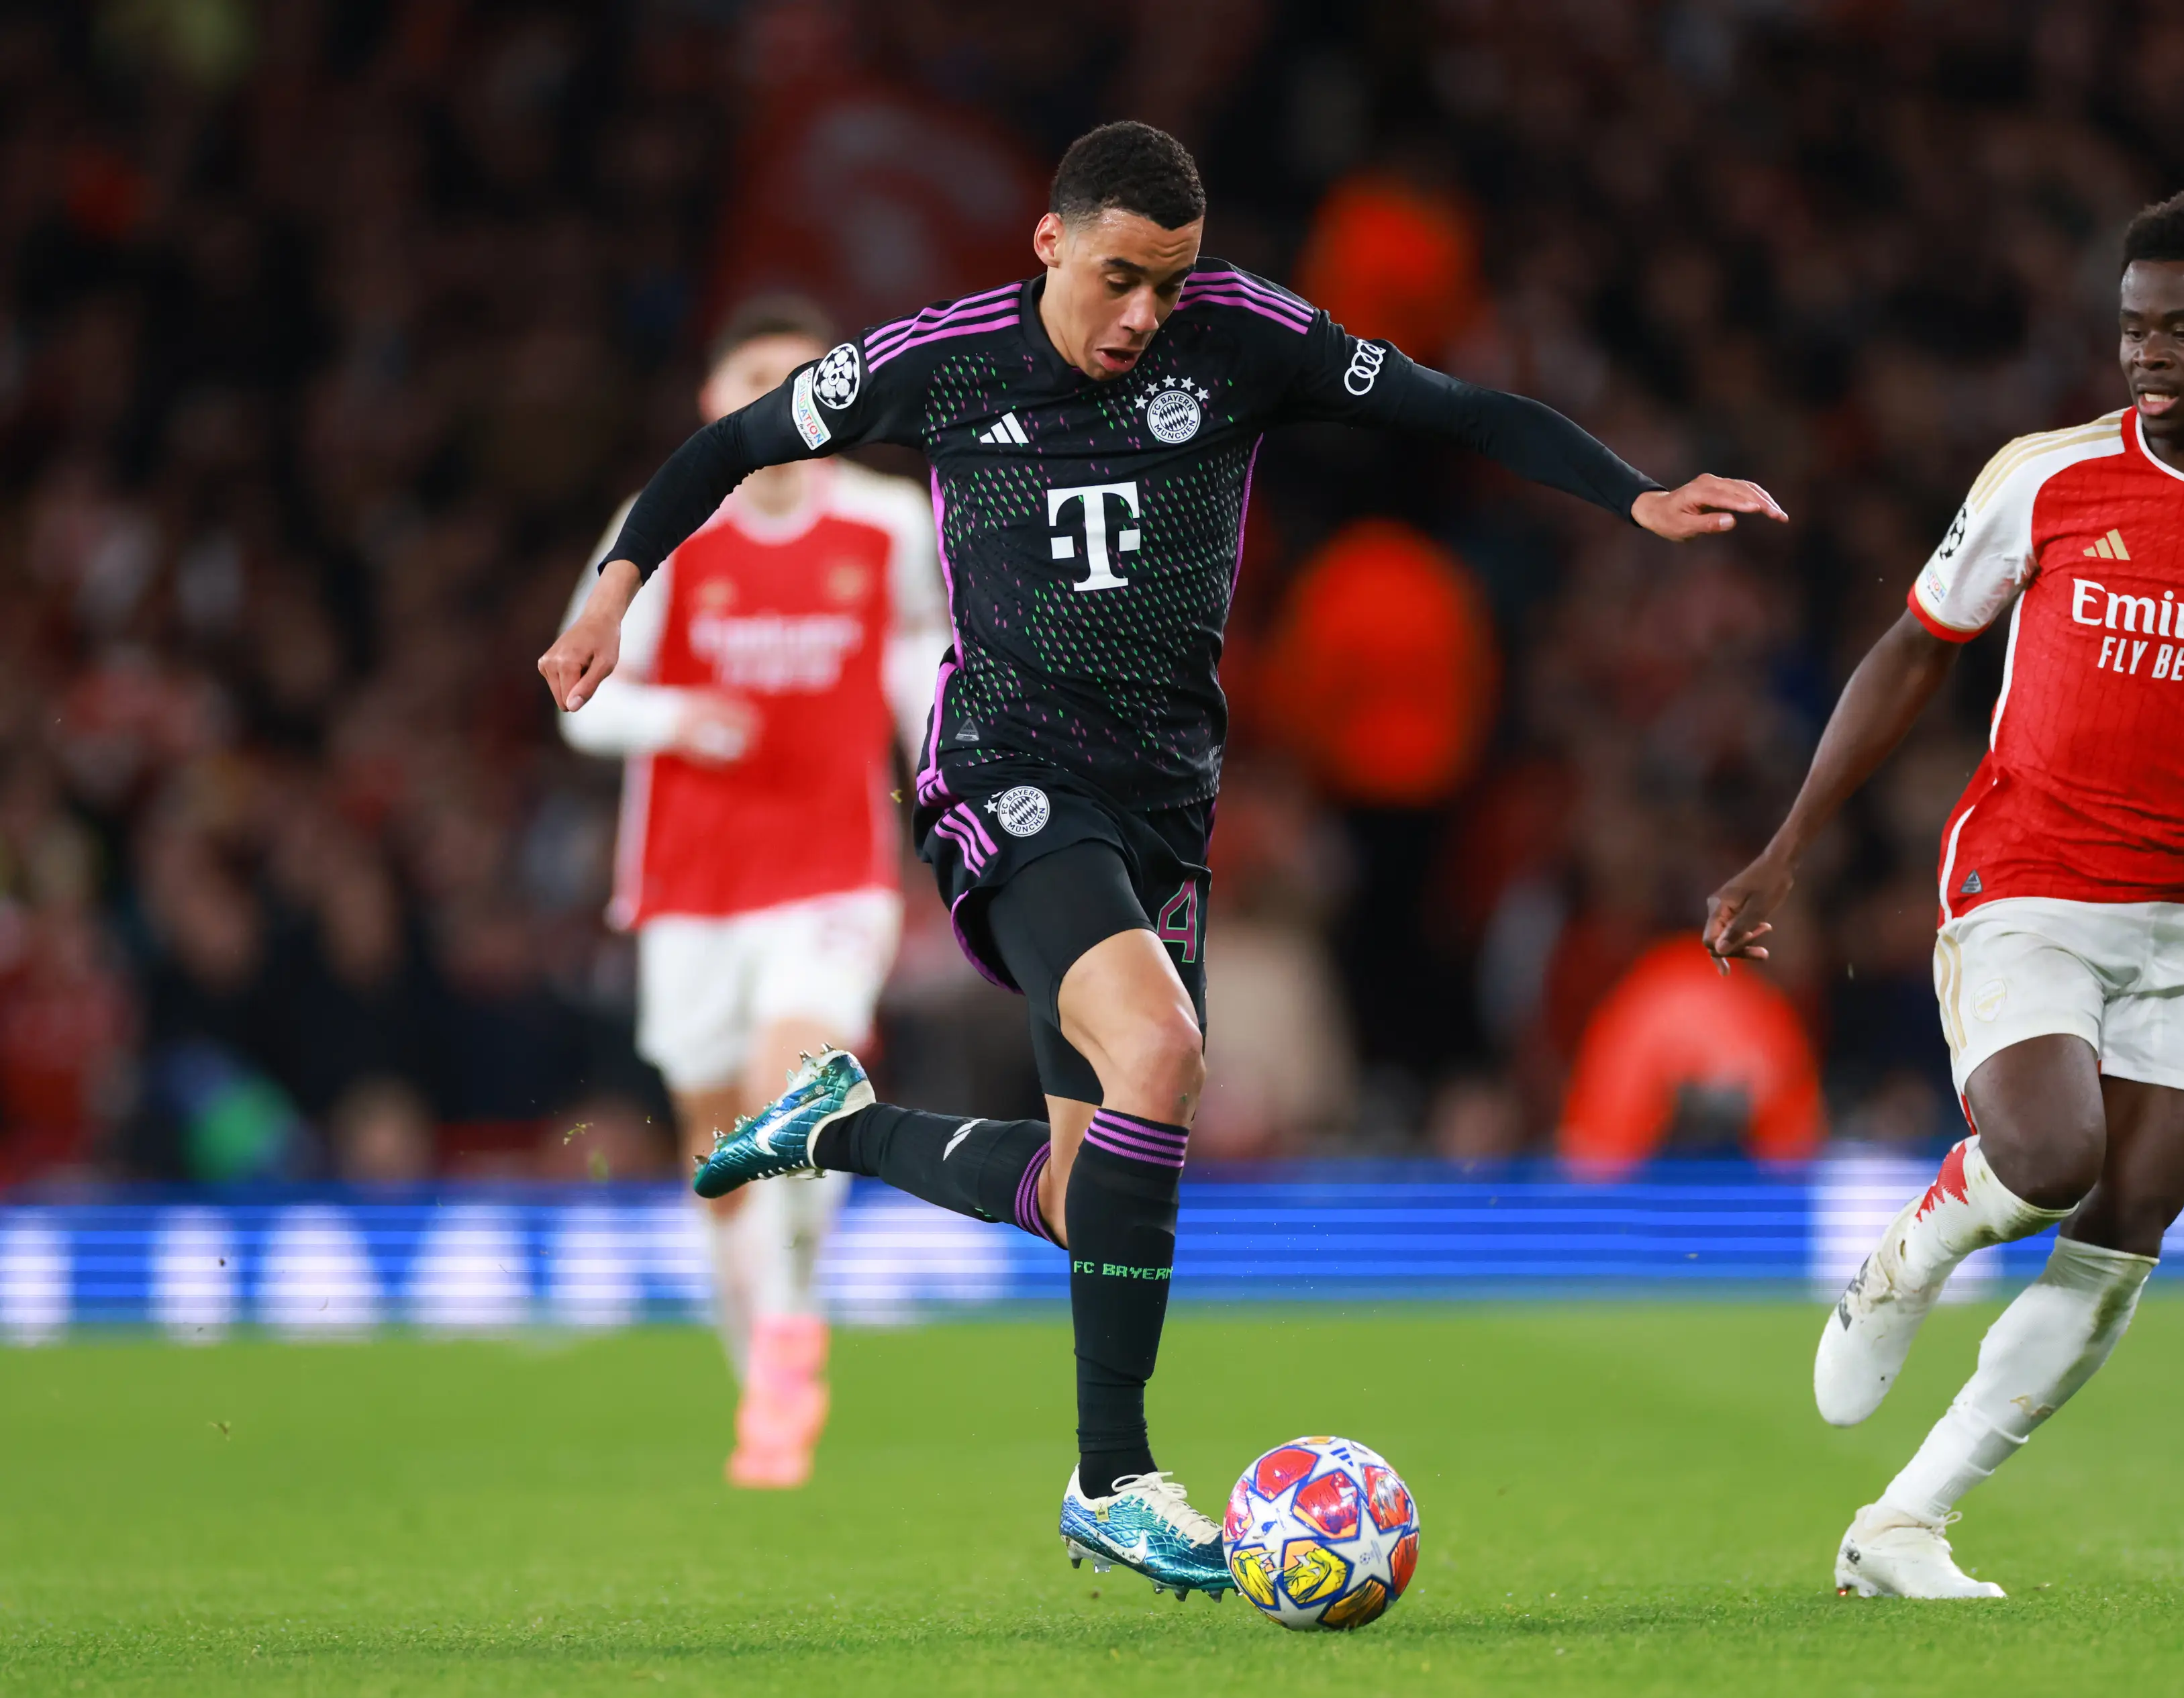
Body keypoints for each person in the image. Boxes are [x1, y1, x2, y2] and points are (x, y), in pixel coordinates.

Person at [542, 120, 1783, 1595]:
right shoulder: (937, 359)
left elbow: (1458, 411)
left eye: (1171, 285)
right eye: (1122, 276)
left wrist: (1631, 491)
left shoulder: (1244, 338)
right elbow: (731, 446)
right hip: (1006, 769)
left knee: (1092, 1186)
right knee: (1164, 1046)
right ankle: (1113, 1475)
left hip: (1163, 802)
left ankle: (840, 1127)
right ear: (1051, 244)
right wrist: (619, 592)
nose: (1146, 314)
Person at [1704, 191, 2184, 1598]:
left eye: (2183, 329)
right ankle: (1917, 1249)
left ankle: (1906, 1522)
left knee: (2128, 1218)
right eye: (2135, 325)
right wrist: (1785, 844)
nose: (2147, 352)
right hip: (2031, 878)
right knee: (2052, 1151)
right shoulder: (2048, 478)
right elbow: (1914, 647)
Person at [558, 295, 943, 1489]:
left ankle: (787, 1330)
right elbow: (581, 695)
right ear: (713, 404)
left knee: (798, 1069)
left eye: (803, 379)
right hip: (690, 883)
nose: (779, 400)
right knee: (718, 1148)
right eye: (755, 378)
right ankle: (768, 1363)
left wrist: (955, 761)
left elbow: (922, 660)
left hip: (831, 867)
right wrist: (680, 714)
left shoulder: (888, 523)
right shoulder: (662, 525)